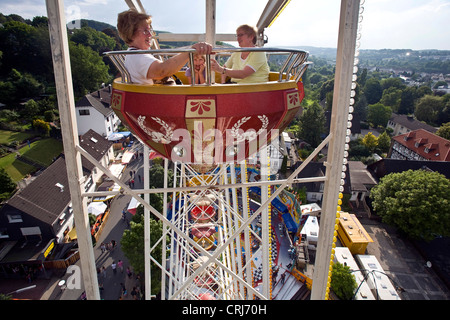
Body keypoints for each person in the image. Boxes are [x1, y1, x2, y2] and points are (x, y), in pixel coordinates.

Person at [117, 9, 212, 85]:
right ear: (131, 34)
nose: (150, 35)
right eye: (145, 31)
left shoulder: (134, 55)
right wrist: (191, 51)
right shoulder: (138, 57)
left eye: (150, 30)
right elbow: (162, 71)